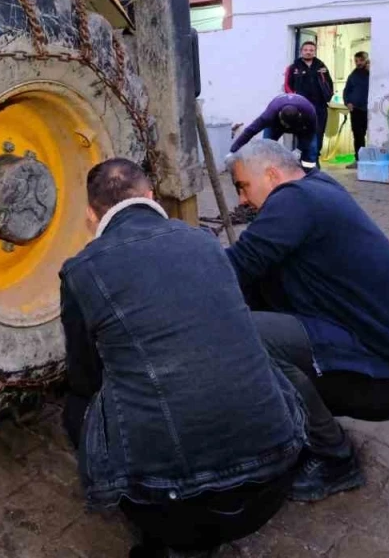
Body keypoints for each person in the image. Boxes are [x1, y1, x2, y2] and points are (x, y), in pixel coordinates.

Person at [60, 158, 305, 557]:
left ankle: (169, 541)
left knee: (76, 408)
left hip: (175, 505)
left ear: (91, 214)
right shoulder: (206, 242)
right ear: (151, 196)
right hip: (275, 478)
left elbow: (85, 380)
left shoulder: (81, 270)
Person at [224, 140, 389, 502]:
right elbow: (253, 272)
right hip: (384, 362)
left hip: (387, 378)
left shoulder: (294, 200)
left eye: (243, 186)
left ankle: (335, 457)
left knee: (247, 338)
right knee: (256, 304)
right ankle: (300, 422)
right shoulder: (318, 188)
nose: (242, 200)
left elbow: (234, 267)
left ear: (272, 174)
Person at [229, 93, 320, 168]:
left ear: (299, 116)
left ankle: (310, 175)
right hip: (276, 126)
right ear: (279, 115)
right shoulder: (269, 115)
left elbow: (311, 132)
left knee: (311, 149)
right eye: (286, 125)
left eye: (289, 126)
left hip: (301, 126)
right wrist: (233, 151)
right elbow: (250, 131)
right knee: (266, 149)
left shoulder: (309, 112)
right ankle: (267, 172)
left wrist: (299, 149)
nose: (287, 129)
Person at [284, 41, 335, 154]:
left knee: (318, 133)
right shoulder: (293, 68)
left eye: (311, 50)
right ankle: (303, 161)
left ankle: (315, 159)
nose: (308, 52)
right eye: (306, 50)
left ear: (314, 52)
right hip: (301, 107)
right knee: (303, 133)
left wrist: (329, 96)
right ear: (301, 51)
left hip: (319, 107)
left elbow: (329, 84)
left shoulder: (321, 66)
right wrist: (294, 101)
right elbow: (287, 86)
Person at [343, 51, 370, 160]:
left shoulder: (372, 73)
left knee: (373, 135)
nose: (358, 63)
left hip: (370, 109)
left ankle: (371, 160)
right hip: (356, 110)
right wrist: (347, 102)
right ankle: (359, 160)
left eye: (361, 60)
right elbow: (347, 91)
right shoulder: (353, 75)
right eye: (356, 61)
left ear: (366, 60)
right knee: (358, 136)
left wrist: (371, 71)